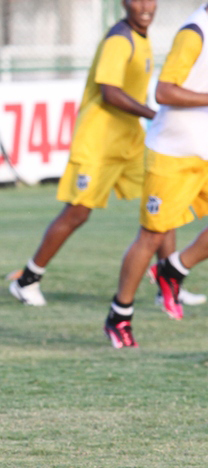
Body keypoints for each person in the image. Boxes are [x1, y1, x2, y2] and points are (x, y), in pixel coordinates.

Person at [9, 0, 204, 308]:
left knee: (166, 206)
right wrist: (155, 113)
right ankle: (27, 280)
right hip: (99, 142)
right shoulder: (119, 38)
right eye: (136, 0)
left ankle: (168, 285)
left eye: (150, 0)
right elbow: (109, 92)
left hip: (131, 141)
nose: (144, 7)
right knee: (77, 213)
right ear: (124, 3)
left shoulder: (142, 38)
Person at [104, 3, 208, 348]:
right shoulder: (194, 32)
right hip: (173, 152)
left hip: (204, 148)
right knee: (151, 237)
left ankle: (174, 269)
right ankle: (119, 315)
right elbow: (164, 92)